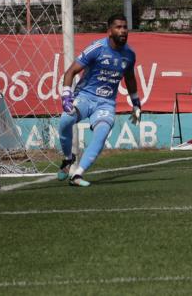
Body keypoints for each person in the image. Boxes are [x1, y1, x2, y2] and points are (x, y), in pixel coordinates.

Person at [57, 15, 140, 187]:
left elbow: (130, 79)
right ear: (109, 31)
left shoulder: (130, 55)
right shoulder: (97, 48)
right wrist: (66, 97)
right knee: (65, 120)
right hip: (85, 96)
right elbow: (70, 72)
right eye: (118, 27)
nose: (123, 30)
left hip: (106, 103)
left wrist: (136, 103)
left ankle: (77, 175)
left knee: (102, 133)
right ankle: (68, 158)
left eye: (125, 27)